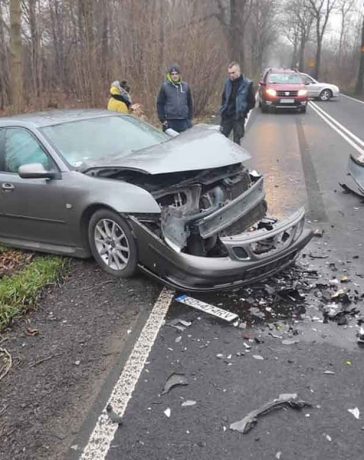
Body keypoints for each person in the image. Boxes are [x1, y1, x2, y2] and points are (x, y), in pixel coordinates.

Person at [220, 62, 255, 145]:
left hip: (238, 117)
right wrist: (223, 110)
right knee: (221, 138)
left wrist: (243, 111)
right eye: (229, 73)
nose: (231, 75)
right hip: (227, 116)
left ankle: (235, 157)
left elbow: (252, 102)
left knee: (236, 142)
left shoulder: (247, 84)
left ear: (238, 71)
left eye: (233, 73)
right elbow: (224, 98)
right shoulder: (227, 83)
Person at [157, 64, 193, 133]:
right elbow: (160, 104)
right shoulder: (165, 87)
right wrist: (163, 120)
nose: (175, 76)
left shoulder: (186, 86)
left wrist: (189, 118)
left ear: (179, 75)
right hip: (170, 121)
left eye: (176, 74)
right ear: (170, 75)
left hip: (184, 121)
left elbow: (190, 103)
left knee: (184, 142)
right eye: (172, 74)